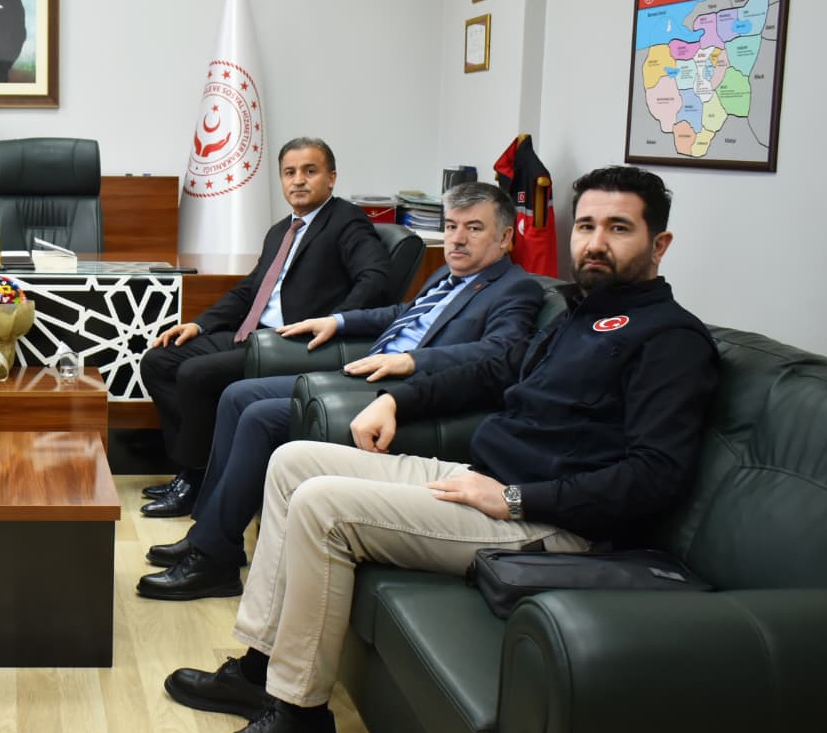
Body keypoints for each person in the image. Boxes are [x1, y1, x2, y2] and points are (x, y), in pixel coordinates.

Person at [165, 165, 718, 733]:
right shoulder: (578, 313)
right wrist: (397, 400)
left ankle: (300, 720)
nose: (595, 242)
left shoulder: (671, 339)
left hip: (548, 523)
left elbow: (654, 478)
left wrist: (516, 497)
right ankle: (257, 669)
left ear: (659, 244)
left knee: (322, 505)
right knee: (293, 461)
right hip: (480, 479)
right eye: (586, 225)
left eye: (618, 228)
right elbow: (493, 374)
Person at [139, 181, 543, 599]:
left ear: (505, 237)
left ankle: (212, 560)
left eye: (474, 228)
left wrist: (412, 361)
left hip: (405, 394)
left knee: (260, 417)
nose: (457, 238)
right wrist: (339, 321)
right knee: (237, 395)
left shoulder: (516, 288)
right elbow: (406, 312)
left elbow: (501, 353)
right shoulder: (449, 275)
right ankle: (211, 533)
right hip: (366, 374)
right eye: (452, 226)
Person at [137, 138, 390, 517]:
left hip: (293, 346)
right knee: (159, 360)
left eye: (310, 171)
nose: (298, 180)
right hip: (253, 337)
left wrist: (336, 321)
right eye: (290, 172)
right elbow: (250, 290)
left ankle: (194, 480)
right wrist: (199, 325)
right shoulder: (281, 230)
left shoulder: (346, 221)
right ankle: (197, 468)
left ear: (331, 178)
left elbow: (375, 278)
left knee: (196, 373)